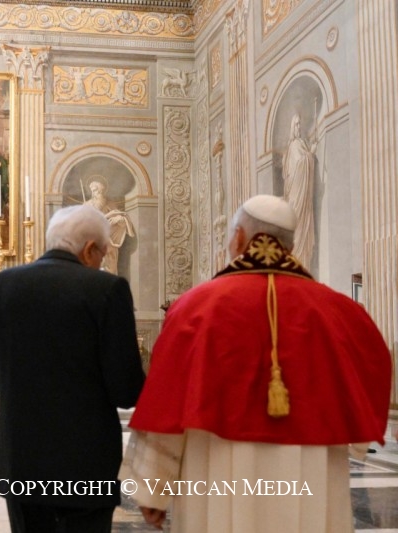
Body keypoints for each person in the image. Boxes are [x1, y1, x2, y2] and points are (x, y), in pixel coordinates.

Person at [122, 194, 392, 532]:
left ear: (238, 238)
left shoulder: (196, 308)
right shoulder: (338, 311)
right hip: (311, 470)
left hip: (216, 470)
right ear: (290, 245)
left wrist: (153, 488)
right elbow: (373, 367)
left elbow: (167, 400)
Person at [0, 204, 146, 533]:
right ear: (89, 249)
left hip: (23, 459)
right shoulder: (107, 289)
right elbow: (126, 390)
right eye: (102, 254)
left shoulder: (3, 285)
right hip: (87, 461)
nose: (101, 262)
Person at [282, 113, 317, 267]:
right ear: (292, 127)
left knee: (303, 229)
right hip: (296, 196)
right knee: (297, 230)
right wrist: (311, 154)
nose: (299, 127)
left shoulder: (301, 144)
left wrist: (309, 153)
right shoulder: (294, 146)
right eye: (296, 124)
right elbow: (300, 165)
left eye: (300, 124)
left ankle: (303, 264)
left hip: (303, 195)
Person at [84, 178, 134, 274]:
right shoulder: (87, 205)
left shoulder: (110, 204)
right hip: (93, 238)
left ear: (102, 191)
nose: (96, 193)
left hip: (109, 238)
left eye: (98, 191)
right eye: (93, 191)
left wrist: (117, 220)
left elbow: (120, 218)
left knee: (110, 266)